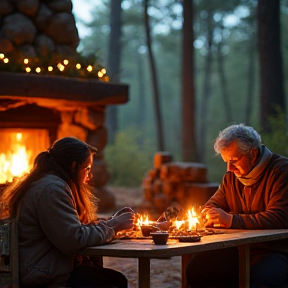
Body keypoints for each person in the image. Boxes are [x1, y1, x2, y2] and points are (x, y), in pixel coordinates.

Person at [0, 136, 137, 288]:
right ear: (73, 166)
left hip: (50, 267)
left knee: (117, 279)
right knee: (112, 283)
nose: (89, 175)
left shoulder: (50, 183)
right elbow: (73, 240)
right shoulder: (52, 189)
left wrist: (110, 222)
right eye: (87, 168)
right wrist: (114, 226)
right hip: (44, 274)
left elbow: (71, 229)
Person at [186, 124, 288, 288]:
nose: (229, 169)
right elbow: (213, 204)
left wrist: (231, 220)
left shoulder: (281, 171)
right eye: (226, 162)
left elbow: (279, 217)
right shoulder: (232, 177)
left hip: (275, 250)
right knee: (198, 269)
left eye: (233, 161)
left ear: (253, 154)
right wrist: (207, 213)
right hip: (240, 248)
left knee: (261, 279)